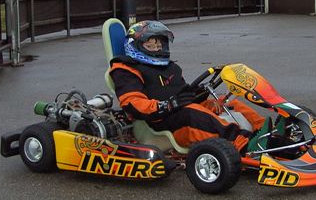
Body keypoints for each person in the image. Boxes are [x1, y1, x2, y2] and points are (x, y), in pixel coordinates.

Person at [108, 20, 266, 153]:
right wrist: (167, 105)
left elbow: (181, 92)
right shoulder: (125, 69)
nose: (157, 49)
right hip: (160, 122)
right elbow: (132, 103)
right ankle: (245, 144)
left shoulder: (169, 67)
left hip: (179, 109)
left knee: (228, 104)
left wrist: (196, 93)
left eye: (159, 45)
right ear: (135, 46)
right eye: (151, 45)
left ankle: (265, 132)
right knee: (192, 112)